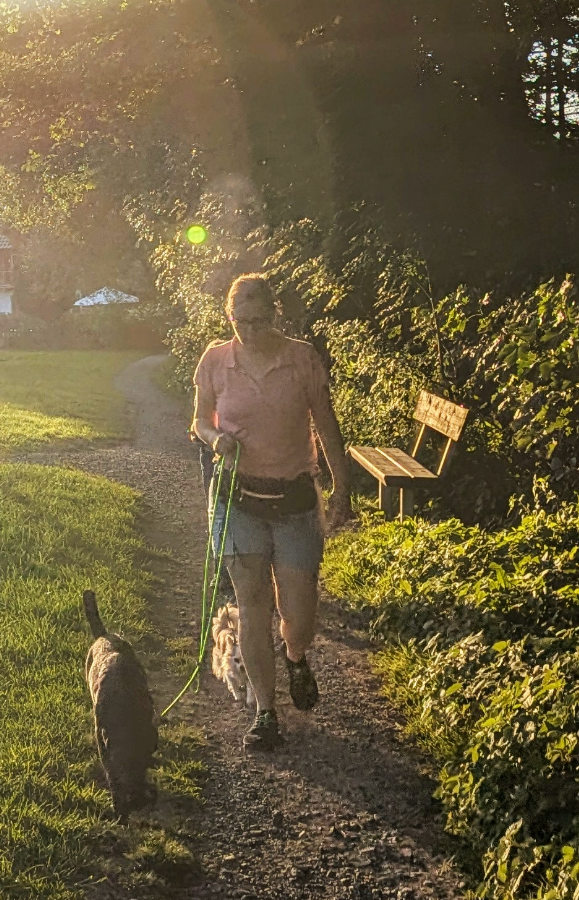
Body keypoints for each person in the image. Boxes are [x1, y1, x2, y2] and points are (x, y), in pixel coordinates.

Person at [192, 273, 352, 751]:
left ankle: (297, 657)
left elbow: (326, 424)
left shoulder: (302, 358)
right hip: (238, 498)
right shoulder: (215, 360)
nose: (250, 329)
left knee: (298, 614)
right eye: (240, 320)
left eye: (258, 319)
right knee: (252, 604)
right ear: (229, 317)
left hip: (295, 500)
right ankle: (265, 711)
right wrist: (214, 436)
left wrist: (342, 489)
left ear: (275, 314)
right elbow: (199, 419)